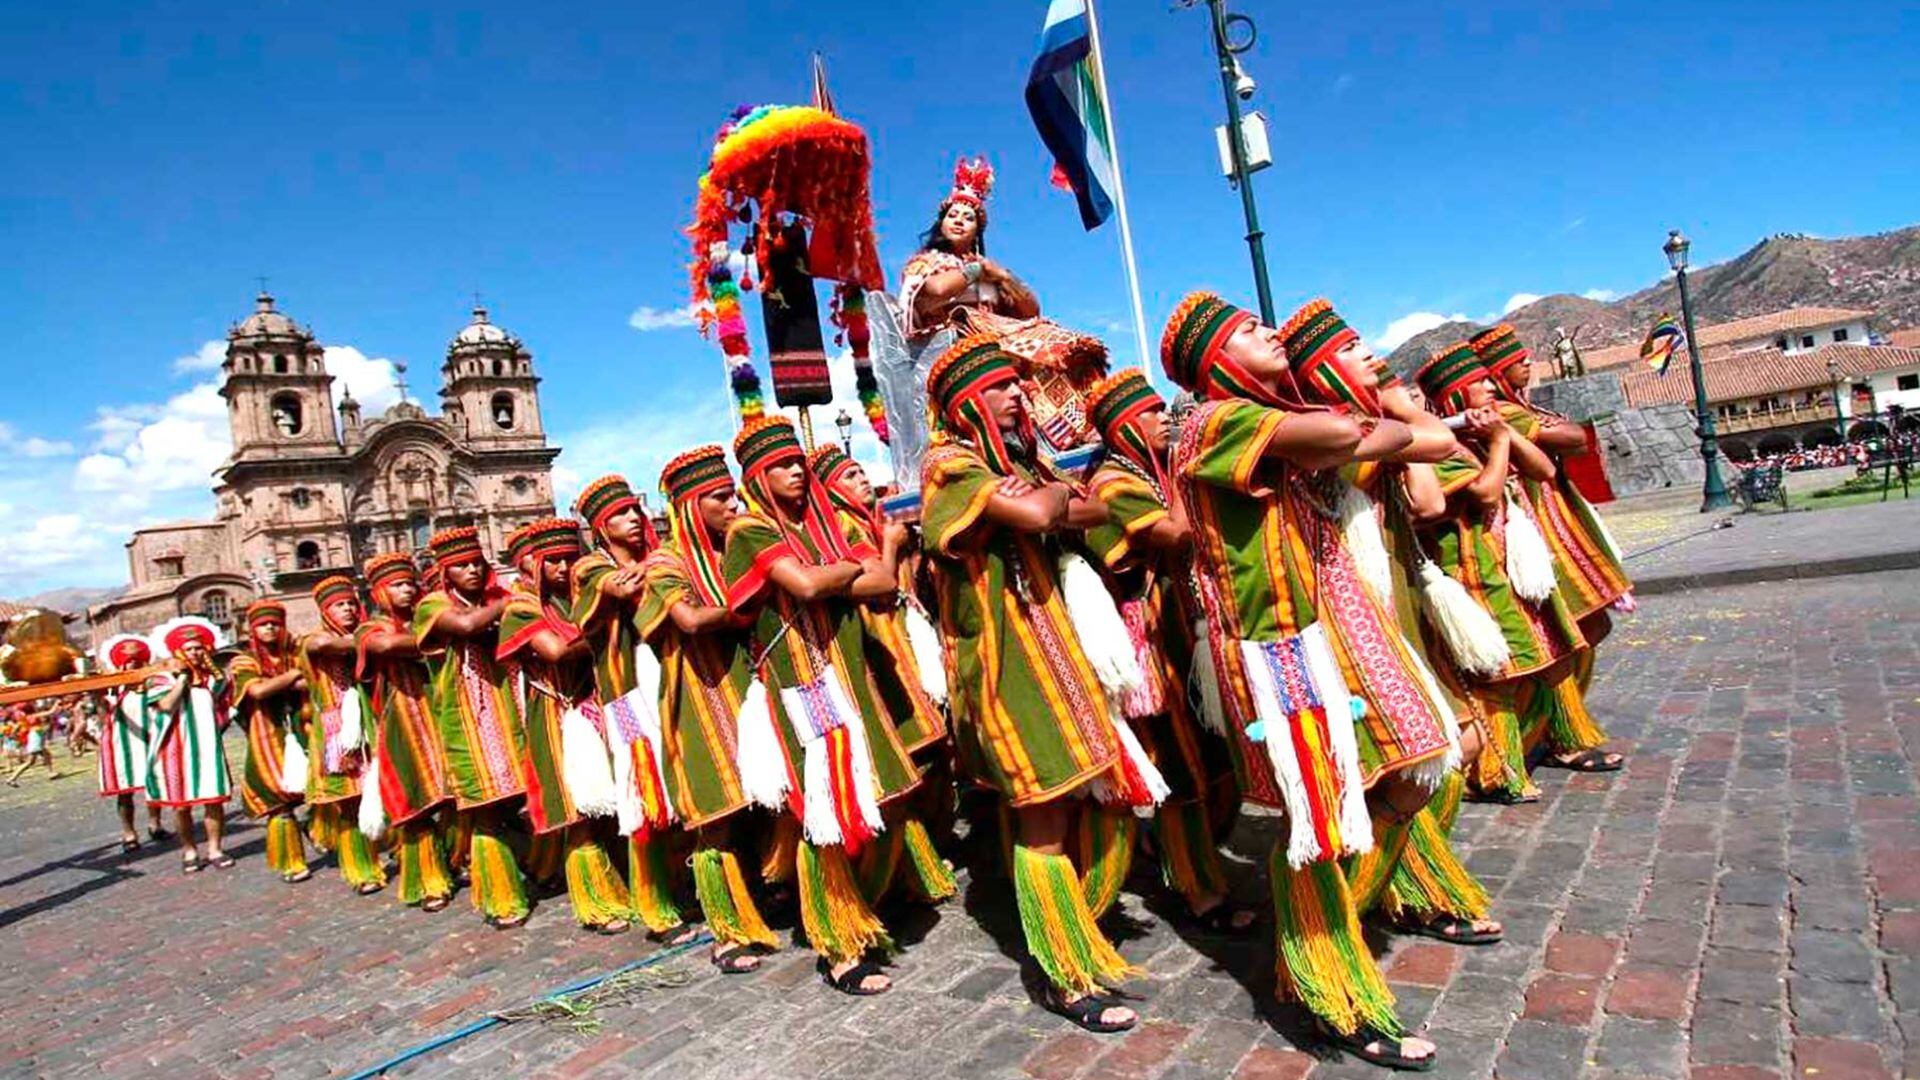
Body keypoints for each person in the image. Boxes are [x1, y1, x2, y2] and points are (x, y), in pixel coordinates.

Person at [1159, 292, 1458, 1069]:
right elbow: (1337, 433)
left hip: (1315, 638)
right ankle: (1334, 992)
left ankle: (1326, 928)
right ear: (1219, 359)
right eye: (1249, 331)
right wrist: (1373, 425)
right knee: (1317, 828)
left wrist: (1380, 418)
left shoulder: (1263, 423)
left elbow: (1416, 445)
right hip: (1271, 651)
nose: (1268, 331)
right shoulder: (1212, 422)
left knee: (1420, 763)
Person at [919, 336, 1163, 1034]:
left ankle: (1076, 923)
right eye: (999, 388)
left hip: (1062, 650)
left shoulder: (1026, 462)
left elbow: (1086, 511)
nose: (1017, 395)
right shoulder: (948, 464)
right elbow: (1041, 515)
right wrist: (1051, 499)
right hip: (1008, 666)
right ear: (967, 403)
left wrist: (1049, 494)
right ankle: (1062, 970)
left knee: (1102, 795)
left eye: (1017, 386)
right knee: (1045, 812)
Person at [1281, 301, 1503, 948]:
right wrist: (1402, 410)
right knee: (1420, 758)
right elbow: (1436, 484)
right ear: (1325, 373)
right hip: (1353, 616)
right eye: (1354, 350)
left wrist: (1394, 407)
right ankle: (1343, 913)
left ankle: (1409, 885)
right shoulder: (1323, 433)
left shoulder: (1366, 423)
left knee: (1449, 750)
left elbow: (1427, 497)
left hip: (1397, 599)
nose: (1374, 357)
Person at [723, 415, 925, 997]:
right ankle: (838, 945)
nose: (796, 470)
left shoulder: (827, 523)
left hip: (850, 679)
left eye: (800, 462)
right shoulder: (750, 531)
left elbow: (881, 582)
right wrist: (842, 572)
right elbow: (809, 587)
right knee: (825, 814)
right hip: (802, 687)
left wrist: (834, 571)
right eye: (783, 464)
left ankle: (863, 907)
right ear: (758, 476)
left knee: (879, 794)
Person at [1081, 368, 1252, 934]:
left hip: (1194, 630)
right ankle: (1199, 889)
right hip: (1157, 642)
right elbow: (1176, 534)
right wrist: (1191, 467)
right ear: (1126, 423)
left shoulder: (1151, 471)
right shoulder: (1112, 482)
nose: (1165, 420)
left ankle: (1180, 855)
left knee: (1220, 764)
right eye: (1153, 412)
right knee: (1181, 769)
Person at [1412, 344, 1596, 803]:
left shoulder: (1484, 435)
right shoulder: (1444, 449)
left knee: (1537, 656)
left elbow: (1544, 469)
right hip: (1472, 574)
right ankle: (1494, 770)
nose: (1491, 387)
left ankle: (1531, 749)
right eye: (1479, 384)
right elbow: (1486, 493)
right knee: (1497, 672)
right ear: (1456, 396)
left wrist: (1504, 436)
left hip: (1508, 567)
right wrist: (1497, 443)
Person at [629, 450, 778, 972]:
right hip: (697, 695)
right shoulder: (664, 563)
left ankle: (767, 894)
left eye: (733, 493)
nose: (733, 503)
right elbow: (688, 620)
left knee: (768, 799)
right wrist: (746, 608)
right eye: (720, 497)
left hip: (751, 684)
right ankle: (727, 929)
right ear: (692, 506)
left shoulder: (738, 546)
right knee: (717, 814)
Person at [1473, 323, 1627, 772]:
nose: (1528, 364)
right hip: (1531, 536)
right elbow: (1574, 439)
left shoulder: (1517, 412)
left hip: (1545, 526)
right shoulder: (1506, 412)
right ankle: (1550, 732)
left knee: (1581, 629)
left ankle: (1552, 726)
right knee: (1568, 633)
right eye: (1517, 360)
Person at [807, 443, 956, 907]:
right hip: (879, 648)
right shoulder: (844, 526)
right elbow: (876, 587)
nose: (862, 480)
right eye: (849, 476)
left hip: (905, 642)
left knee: (931, 752)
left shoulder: (873, 518)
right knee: (911, 756)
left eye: (859, 471)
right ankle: (905, 868)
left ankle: (922, 857)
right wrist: (890, 547)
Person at [569, 475, 697, 945]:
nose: (634, 518)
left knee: (679, 779)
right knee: (642, 793)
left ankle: (686, 886)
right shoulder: (589, 567)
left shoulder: (652, 560)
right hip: (624, 692)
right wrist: (649, 574)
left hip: (665, 678)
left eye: (635, 510)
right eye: (621, 513)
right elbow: (613, 591)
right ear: (602, 525)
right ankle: (656, 905)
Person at [498, 518, 633, 934]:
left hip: (599, 704)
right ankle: (597, 901)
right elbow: (555, 651)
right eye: (551, 560)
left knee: (617, 800)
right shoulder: (522, 608)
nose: (561, 567)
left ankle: (629, 884)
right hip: (557, 716)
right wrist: (603, 621)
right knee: (578, 811)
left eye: (569, 558)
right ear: (534, 565)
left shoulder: (582, 599)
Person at [413, 526, 530, 928]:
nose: (472, 571)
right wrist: (509, 605)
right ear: (446, 573)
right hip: (465, 718)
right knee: (483, 808)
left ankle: (530, 864)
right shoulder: (431, 605)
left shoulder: (494, 598)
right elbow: (465, 628)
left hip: (507, 710)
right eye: (461, 566)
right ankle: (500, 895)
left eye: (477, 563)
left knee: (518, 796)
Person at [356, 553, 457, 911]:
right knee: (414, 801)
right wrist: (439, 636)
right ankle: (427, 878)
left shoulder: (425, 618)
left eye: (410, 583)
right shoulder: (370, 629)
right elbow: (385, 647)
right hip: (400, 723)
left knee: (453, 794)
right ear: (379, 592)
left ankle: (456, 860)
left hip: (438, 713)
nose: (407, 590)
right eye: (397, 585)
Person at [298, 577, 387, 895]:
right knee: (349, 803)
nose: (347, 608)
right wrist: (377, 638)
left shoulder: (365, 632)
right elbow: (327, 647)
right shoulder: (312, 639)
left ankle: (384, 850)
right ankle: (361, 869)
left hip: (370, 723)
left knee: (378, 791)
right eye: (339, 604)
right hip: (336, 731)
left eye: (351, 602)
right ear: (324, 610)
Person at [229, 600, 312, 884]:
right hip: (266, 733)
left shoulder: (295, 651)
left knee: (318, 784)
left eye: (275, 624)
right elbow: (259, 692)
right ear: (252, 629)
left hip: (301, 726)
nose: (270, 629)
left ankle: (320, 830)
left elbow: (310, 683)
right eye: (263, 625)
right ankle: (291, 859)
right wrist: (292, 675)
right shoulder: (244, 661)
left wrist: (288, 680)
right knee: (278, 797)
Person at [145, 617, 234, 873]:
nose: (195, 653)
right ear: (177, 652)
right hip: (174, 749)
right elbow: (165, 706)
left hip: (207, 748)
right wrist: (182, 680)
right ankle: (189, 849)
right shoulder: (160, 679)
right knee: (181, 804)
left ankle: (215, 848)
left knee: (213, 800)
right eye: (189, 649)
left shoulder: (213, 679)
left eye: (199, 648)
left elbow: (224, 707)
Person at [93, 635, 167, 849]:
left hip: (149, 740)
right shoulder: (112, 691)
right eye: (127, 659)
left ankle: (155, 824)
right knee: (125, 791)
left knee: (155, 786)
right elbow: (103, 716)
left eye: (136, 658)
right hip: (121, 744)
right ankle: (129, 833)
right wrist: (98, 697)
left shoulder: (154, 686)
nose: (132, 662)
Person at [5, 702, 62, 786]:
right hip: (35, 740)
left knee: (47, 755)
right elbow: (51, 711)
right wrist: (57, 703)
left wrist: (14, 736)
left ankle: (51, 772)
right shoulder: (34, 716)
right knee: (30, 762)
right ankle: (12, 778)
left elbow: (15, 729)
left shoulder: (24, 718)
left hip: (35, 739)